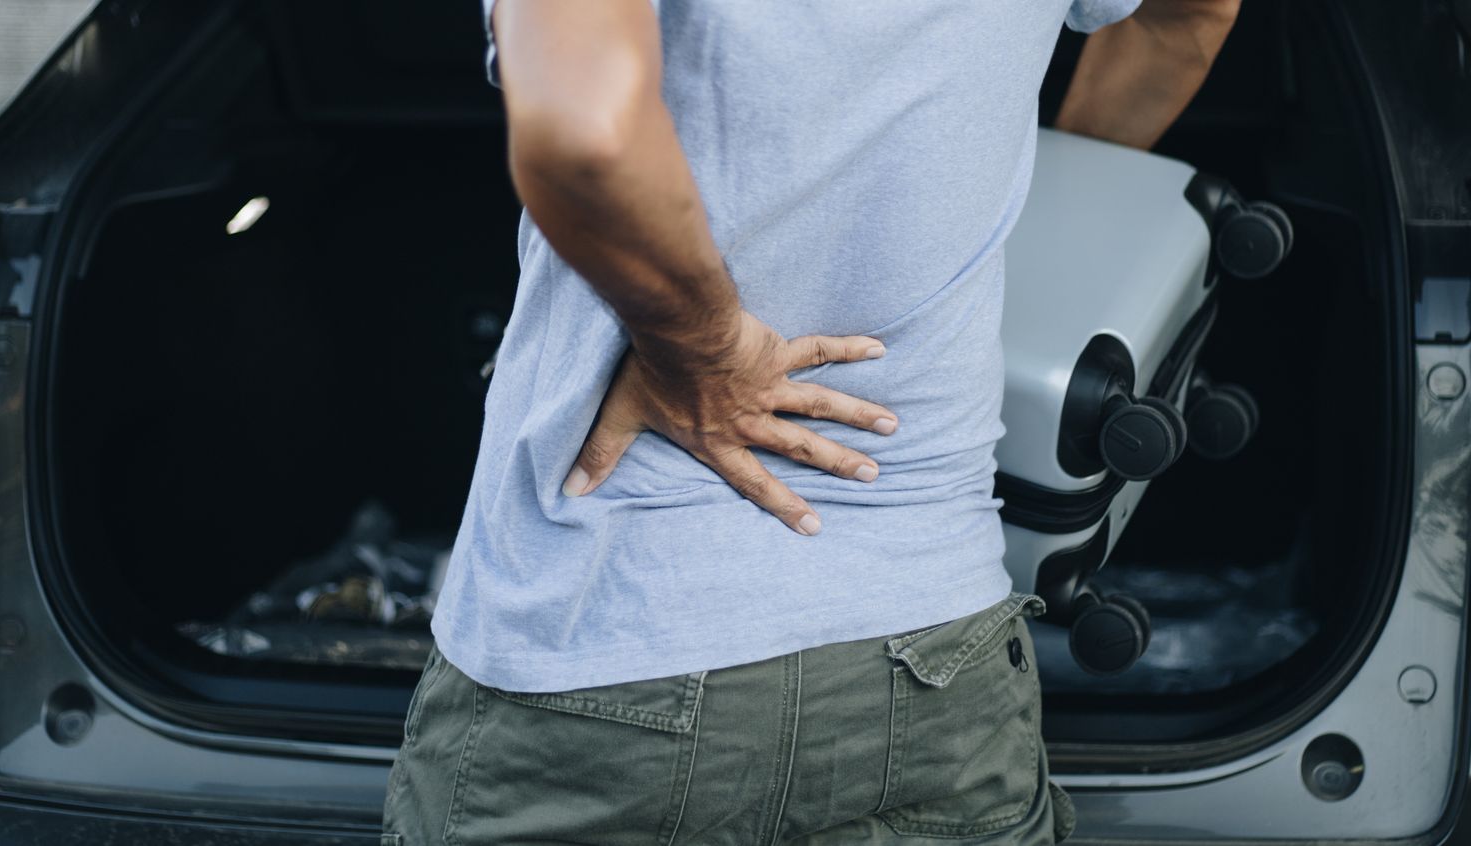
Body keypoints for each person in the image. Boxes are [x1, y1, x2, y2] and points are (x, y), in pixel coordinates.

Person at [384, 0, 1239, 842]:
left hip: (609, 651)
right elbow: (1189, 16)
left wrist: (705, 350)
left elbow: (585, 132)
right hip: (937, 659)